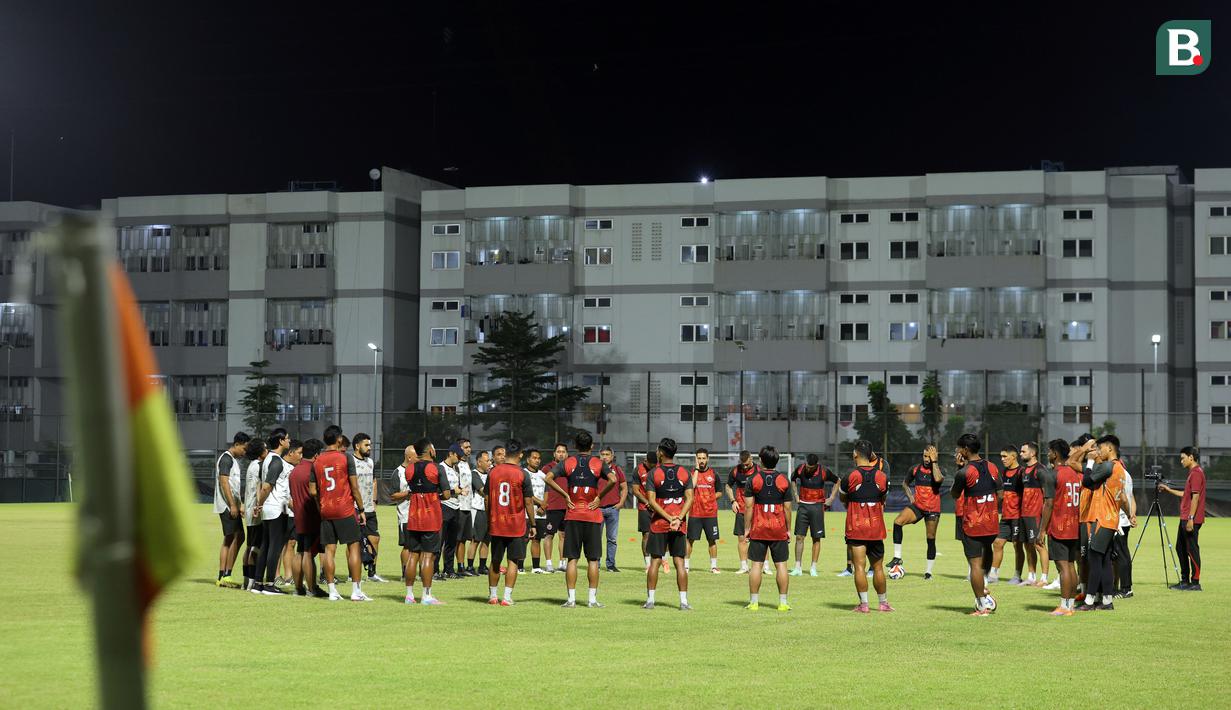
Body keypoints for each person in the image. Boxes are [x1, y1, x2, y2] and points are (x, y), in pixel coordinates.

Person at [546, 431, 617, 608]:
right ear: (592, 446)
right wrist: (599, 497)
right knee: (593, 559)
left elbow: (548, 477)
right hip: (593, 516)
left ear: (575, 447)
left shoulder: (568, 462)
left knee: (572, 559)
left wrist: (565, 494)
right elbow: (613, 480)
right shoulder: (598, 463)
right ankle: (592, 600)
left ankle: (571, 599)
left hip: (573, 515)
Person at [309, 425, 371, 602]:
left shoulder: (317, 460)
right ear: (338, 440)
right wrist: (361, 509)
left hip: (326, 510)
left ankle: (332, 591)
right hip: (344, 509)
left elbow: (313, 491)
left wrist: (321, 504)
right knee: (354, 548)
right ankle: (356, 591)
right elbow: (354, 487)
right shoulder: (345, 458)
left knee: (329, 550)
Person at [1076, 435, 1132, 611]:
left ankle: (1089, 601)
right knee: (1105, 561)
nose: (1098, 451)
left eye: (1100, 448)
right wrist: (1130, 514)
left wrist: (1091, 462)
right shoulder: (1120, 469)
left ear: (1110, 449)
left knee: (1095, 560)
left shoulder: (1108, 466)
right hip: (1112, 519)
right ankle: (1107, 601)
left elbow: (1086, 481)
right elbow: (1123, 497)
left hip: (1102, 518)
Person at [949, 433, 1001, 616]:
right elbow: (1000, 493)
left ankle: (981, 606)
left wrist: (958, 469)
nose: (957, 451)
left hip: (973, 524)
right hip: (992, 522)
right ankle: (984, 589)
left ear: (965, 450)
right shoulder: (993, 466)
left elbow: (955, 494)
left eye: (959, 448)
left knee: (975, 565)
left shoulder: (965, 472)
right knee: (986, 555)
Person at [643, 438, 695, 610]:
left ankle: (650, 601)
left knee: (655, 561)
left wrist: (667, 518)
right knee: (679, 562)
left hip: (659, 524)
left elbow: (651, 501)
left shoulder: (653, 474)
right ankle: (684, 602)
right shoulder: (684, 472)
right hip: (678, 525)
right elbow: (690, 498)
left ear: (661, 453)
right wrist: (678, 518)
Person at [841, 440, 892, 612]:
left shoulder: (850, 476)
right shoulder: (882, 476)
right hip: (876, 527)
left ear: (855, 454)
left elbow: (843, 498)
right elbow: (884, 498)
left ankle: (864, 605)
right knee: (878, 567)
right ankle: (883, 603)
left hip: (856, 526)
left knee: (859, 566)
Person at [484, 439, 535, 605]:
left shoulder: (493, 472)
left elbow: (486, 499)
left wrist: (489, 517)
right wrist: (533, 524)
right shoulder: (522, 474)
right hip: (516, 525)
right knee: (513, 561)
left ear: (505, 452)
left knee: (495, 560)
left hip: (497, 523)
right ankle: (506, 597)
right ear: (521, 454)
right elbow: (528, 502)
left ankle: (492, 596)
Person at [402, 438, 451, 605]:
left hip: (414, 517)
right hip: (431, 517)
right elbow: (446, 494)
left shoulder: (409, 469)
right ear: (430, 450)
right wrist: (435, 495)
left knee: (413, 555)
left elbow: (412, 488)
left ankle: (409, 595)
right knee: (428, 556)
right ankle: (426, 595)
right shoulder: (437, 468)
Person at [743, 446, 791, 611]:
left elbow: (748, 507)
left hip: (759, 527)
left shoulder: (753, 480)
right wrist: (788, 529)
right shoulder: (784, 480)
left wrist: (747, 528)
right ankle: (783, 603)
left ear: (761, 461)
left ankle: (754, 603)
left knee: (756, 565)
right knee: (781, 565)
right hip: (778, 529)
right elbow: (787, 508)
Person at [889, 444, 943, 580]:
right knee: (897, 522)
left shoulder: (937, 470)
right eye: (925, 456)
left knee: (930, 539)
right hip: (918, 506)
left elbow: (938, 480)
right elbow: (905, 484)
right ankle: (897, 558)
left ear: (934, 457)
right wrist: (911, 497)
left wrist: (934, 461)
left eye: (929, 457)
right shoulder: (915, 469)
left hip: (932, 509)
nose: (926, 459)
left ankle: (928, 573)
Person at [1039, 439, 1080, 615]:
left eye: (1049, 451)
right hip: (1074, 525)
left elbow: (1048, 504)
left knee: (1062, 567)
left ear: (1055, 454)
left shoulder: (1052, 474)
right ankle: (1070, 604)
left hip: (1059, 526)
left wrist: (1041, 530)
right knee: (1070, 566)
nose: (1047, 454)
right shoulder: (1073, 472)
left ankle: (1064, 606)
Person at [1161, 447, 1206, 591]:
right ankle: (1185, 581)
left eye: (1183, 458)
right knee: (1180, 548)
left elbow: (1196, 498)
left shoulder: (1197, 473)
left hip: (1190, 518)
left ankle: (1195, 582)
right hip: (1185, 518)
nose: (1181, 461)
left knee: (1192, 549)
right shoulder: (1192, 473)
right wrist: (1168, 490)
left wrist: (1191, 518)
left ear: (1191, 457)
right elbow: (1186, 495)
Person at [252, 431, 292, 594]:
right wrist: (259, 504)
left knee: (266, 545)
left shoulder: (268, 459)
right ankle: (269, 584)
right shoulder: (276, 461)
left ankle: (258, 583)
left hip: (269, 508)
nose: (289, 441)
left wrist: (260, 504)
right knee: (274, 547)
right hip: (276, 508)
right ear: (281, 441)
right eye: (287, 438)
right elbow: (267, 486)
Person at [790, 453, 839, 578]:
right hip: (803, 507)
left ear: (816, 465)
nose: (808, 469)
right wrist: (795, 495)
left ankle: (813, 568)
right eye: (807, 466)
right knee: (799, 537)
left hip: (817, 507)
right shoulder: (800, 469)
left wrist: (832, 498)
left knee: (816, 538)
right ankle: (797, 567)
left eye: (811, 467)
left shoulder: (824, 472)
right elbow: (793, 479)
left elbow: (837, 480)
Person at [288, 438, 327, 597]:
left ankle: (299, 588)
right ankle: (312, 588)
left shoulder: (294, 471)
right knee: (308, 553)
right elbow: (318, 495)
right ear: (317, 454)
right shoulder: (314, 470)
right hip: (313, 517)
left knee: (300, 552)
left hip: (299, 517)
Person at [212, 431, 250, 587]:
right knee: (234, 537)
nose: (245, 452)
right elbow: (224, 483)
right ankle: (224, 576)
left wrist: (239, 503)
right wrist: (233, 505)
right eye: (244, 448)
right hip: (227, 506)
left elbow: (233, 487)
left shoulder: (233, 460)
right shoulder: (226, 459)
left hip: (231, 505)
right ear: (237, 444)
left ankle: (223, 576)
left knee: (234, 537)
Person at [350, 433, 386, 582]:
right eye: (366, 445)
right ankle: (352, 574)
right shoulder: (350, 461)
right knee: (354, 543)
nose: (369, 447)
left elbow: (374, 480)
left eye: (370, 445)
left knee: (375, 539)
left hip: (369, 508)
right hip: (354, 508)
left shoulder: (370, 462)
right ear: (357, 446)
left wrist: (375, 500)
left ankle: (372, 572)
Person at [989, 446, 1024, 584]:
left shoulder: (1021, 473)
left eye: (1005, 456)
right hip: (1005, 516)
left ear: (1013, 456)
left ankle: (1017, 575)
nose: (1002, 459)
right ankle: (993, 574)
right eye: (1001, 457)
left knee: (1017, 545)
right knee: (997, 543)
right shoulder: (1003, 473)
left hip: (1017, 516)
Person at [1017, 442, 1048, 586]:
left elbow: (1047, 495)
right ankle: (1031, 576)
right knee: (1027, 545)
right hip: (1025, 514)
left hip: (1036, 514)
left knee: (1039, 544)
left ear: (1033, 453)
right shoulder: (1023, 471)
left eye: (1023, 451)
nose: (1020, 454)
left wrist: (1044, 516)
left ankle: (1044, 578)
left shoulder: (1040, 470)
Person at [686, 448, 721, 574]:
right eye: (699, 458)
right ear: (696, 459)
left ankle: (713, 566)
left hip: (710, 513)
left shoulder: (714, 474)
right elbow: (692, 486)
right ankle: (686, 565)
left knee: (712, 540)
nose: (701, 461)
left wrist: (710, 498)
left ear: (708, 459)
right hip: (695, 513)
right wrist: (696, 469)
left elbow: (719, 492)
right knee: (690, 539)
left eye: (703, 458)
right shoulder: (692, 474)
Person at [240, 438, 267, 590]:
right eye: (264, 448)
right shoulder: (258, 466)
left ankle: (246, 581)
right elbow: (258, 489)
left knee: (250, 545)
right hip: (255, 511)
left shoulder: (251, 465)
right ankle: (252, 582)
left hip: (250, 511)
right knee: (255, 547)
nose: (267, 450)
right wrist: (259, 506)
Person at [436, 444, 467, 579]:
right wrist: (455, 491)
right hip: (443, 507)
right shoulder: (440, 467)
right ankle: (434, 571)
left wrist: (460, 490)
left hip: (455, 507)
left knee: (451, 542)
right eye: (458, 456)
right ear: (451, 453)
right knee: (439, 541)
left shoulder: (457, 469)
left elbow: (455, 487)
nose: (460, 459)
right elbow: (439, 491)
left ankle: (449, 570)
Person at [389, 445, 417, 590]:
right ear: (409, 457)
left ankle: (413, 572)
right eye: (416, 456)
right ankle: (405, 573)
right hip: (405, 515)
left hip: (418, 515)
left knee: (417, 546)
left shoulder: (417, 471)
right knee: (407, 545)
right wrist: (408, 493)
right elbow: (393, 495)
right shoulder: (398, 473)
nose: (418, 459)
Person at [725, 450, 757, 574]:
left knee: (760, 539)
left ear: (751, 459)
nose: (744, 466)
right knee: (742, 539)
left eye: (746, 464)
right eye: (742, 464)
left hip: (756, 511)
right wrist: (733, 501)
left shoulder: (758, 471)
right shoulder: (735, 471)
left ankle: (765, 566)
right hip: (741, 510)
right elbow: (728, 486)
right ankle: (744, 566)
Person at [633, 450, 665, 572]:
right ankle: (648, 564)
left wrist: (656, 503)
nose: (651, 467)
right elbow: (636, 490)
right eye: (650, 464)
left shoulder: (659, 468)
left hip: (659, 507)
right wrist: (647, 502)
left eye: (653, 465)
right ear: (645, 461)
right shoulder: (638, 470)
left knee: (662, 534)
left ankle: (663, 560)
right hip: (644, 508)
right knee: (646, 535)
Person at [598, 447, 628, 572]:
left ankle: (610, 565)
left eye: (607, 454)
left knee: (612, 538)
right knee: (596, 538)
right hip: (597, 509)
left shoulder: (617, 470)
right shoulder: (595, 469)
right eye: (603, 454)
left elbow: (624, 488)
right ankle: (596, 564)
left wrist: (621, 503)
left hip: (613, 509)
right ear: (599, 456)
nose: (605, 457)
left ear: (612, 456)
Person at [541, 442, 570, 573]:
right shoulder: (547, 468)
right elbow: (541, 487)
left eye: (563, 452)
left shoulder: (570, 468)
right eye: (559, 451)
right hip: (552, 506)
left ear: (567, 454)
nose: (561, 454)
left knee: (564, 535)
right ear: (554, 454)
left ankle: (562, 562)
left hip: (567, 506)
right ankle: (548, 563)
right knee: (549, 535)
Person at [1111, 454, 1137, 598]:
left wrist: (1128, 514)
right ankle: (1126, 587)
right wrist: (1132, 515)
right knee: (1123, 554)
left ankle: (1124, 588)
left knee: (1119, 555)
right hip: (1124, 520)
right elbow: (1132, 497)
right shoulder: (1127, 474)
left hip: (1118, 520)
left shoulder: (1118, 473)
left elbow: (1123, 497)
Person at [524, 448, 549, 573]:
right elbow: (526, 494)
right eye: (534, 458)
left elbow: (546, 492)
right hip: (526, 513)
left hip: (541, 513)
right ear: (528, 459)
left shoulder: (543, 475)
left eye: (539, 458)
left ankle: (536, 567)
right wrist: (541, 503)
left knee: (537, 539)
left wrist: (543, 506)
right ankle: (519, 566)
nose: (537, 460)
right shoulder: (523, 473)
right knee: (524, 539)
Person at [467, 449, 492, 575]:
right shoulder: (474, 474)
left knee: (487, 540)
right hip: (478, 509)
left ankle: (482, 566)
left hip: (490, 511)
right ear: (479, 462)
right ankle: (470, 566)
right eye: (487, 461)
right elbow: (483, 490)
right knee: (475, 540)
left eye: (490, 461)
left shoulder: (489, 474)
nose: (489, 463)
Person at [454, 439, 476, 576]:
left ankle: (461, 567)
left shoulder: (467, 464)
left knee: (463, 539)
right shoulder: (455, 465)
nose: (469, 449)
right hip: (459, 506)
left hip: (468, 506)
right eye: (466, 447)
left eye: (469, 447)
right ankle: (448, 567)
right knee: (455, 539)